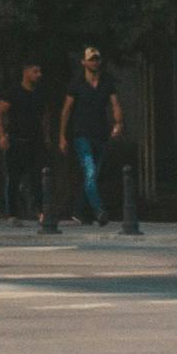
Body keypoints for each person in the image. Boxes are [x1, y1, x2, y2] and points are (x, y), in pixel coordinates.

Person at [63, 46, 131, 226]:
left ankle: (78, 211)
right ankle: (99, 210)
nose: (95, 62)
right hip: (82, 135)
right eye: (91, 59)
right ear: (84, 62)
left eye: (97, 59)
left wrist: (118, 124)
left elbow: (115, 104)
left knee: (92, 176)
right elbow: (67, 110)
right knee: (91, 172)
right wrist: (62, 135)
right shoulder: (77, 83)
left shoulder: (106, 82)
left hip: (101, 135)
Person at [3, 59, 56, 221]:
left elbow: (45, 115)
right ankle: (12, 212)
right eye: (35, 71)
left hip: (35, 140)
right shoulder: (13, 92)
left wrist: (46, 135)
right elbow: (0, 113)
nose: (38, 75)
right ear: (25, 72)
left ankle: (40, 211)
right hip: (16, 139)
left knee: (37, 177)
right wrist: (2, 135)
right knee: (14, 177)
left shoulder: (39, 93)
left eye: (39, 72)